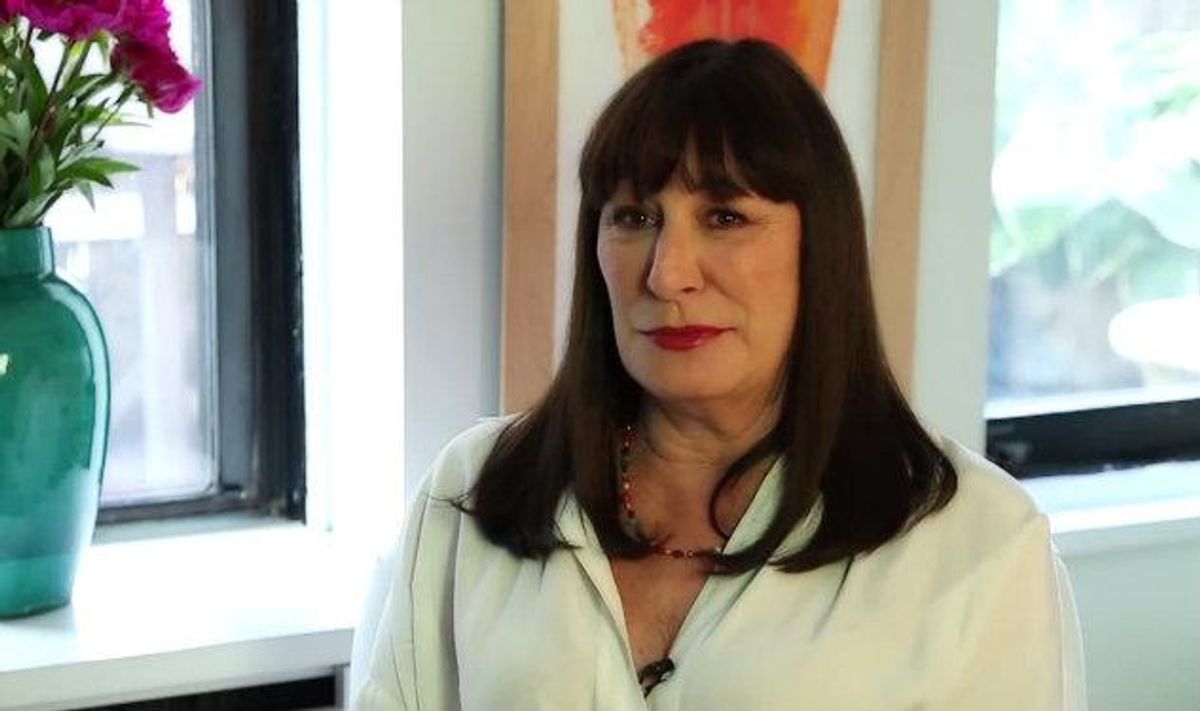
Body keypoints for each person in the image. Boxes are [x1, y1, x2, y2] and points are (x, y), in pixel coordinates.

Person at [353, 39, 1086, 710]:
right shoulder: (474, 490)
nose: (667, 273)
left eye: (725, 217)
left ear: (819, 248)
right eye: (634, 217)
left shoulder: (978, 540)